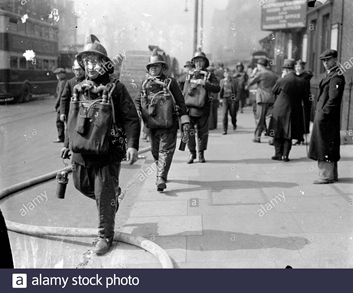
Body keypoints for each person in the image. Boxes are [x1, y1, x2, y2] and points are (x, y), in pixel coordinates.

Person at [60, 35, 140, 255]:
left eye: (95, 61)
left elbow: (132, 118)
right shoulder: (78, 87)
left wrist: (132, 145)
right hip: (80, 152)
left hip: (107, 152)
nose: (90, 66)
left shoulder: (116, 89)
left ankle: (105, 236)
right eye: (86, 62)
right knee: (80, 185)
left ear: (105, 64)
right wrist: (68, 143)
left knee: (103, 195)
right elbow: (71, 118)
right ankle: (111, 197)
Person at [134, 49, 190, 191]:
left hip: (169, 125)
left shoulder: (170, 82)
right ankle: (162, 171)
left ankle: (161, 178)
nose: (153, 68)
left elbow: (180, 101)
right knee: (155, 151)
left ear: (162, 68)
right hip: (152, 125)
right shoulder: (144, 83)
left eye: (156, 66)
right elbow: (137, 101)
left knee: (165, 151)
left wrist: (185, 121)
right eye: (151, 66)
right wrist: (138, 113)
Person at [308, 49, 345, 184]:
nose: (325, 63)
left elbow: (333, 100)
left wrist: (323, 114)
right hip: (327, 117)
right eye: (323, 61)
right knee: (328, 144)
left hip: (327, 118)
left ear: (335, 59)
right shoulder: (332, 74)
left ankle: (326, 176)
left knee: (325, 145)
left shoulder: (335, 76)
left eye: (327, 60)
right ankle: (332, 174)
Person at [183, 50, 220, 164]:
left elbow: (217, 88)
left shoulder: (209, 75)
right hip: (189, 108)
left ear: (205, 62)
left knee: (202, 132)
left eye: (201, 61)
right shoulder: (189, 74)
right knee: (188, 131)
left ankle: (201, 153)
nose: (198, 63)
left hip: (203, 108)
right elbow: (182, 90)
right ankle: (192, 153)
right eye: (196, 61)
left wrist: (204, 83)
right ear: (193, 62)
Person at [267, 59, 308, 162]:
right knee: (288, 134)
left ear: (285, 69)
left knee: (278, 132)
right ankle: (285, 155)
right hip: (295, 110)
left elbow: (274, 91)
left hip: (280, 109)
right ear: (293, 68)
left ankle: (278, 154)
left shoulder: (282, 80)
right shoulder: (302, 81)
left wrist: (282, 77)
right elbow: (306, 97)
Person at [248, 58, 278, 143]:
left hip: (261, 99)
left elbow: (250, 82)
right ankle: (271, 138)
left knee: (260, 119)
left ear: (260, 65)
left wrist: (253, 73)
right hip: (272, 98)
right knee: (269, 118)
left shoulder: (260, 74)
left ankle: (257, 137)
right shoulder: (273, 74)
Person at [294, 60, 313, 145]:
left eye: (299, 67)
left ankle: (301, 138)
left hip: (304, 101)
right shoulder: (299, 76)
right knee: (298, 120)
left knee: (303, 120)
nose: (297, 68)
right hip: (299, 100)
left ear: (302, 68)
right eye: (296, 67)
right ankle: (299, 138)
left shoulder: (305, 76)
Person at [219, 68, 239, 135]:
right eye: (225, 73)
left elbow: (237, 90)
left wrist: (235, 99)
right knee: (224, 114)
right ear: (224, 74)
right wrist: (220, 98)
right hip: (224, 98)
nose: (226, 74)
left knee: (232, 113)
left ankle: (234, 123)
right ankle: (225, 129)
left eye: (227, 73)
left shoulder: (234, 81)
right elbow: (219, 91)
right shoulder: (222, 81)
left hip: (232, 97)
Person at [53, 68, 67, 143]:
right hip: (63, 104)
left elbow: (60, 95)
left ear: (63, 74)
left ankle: (61, 137)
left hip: (61, 105)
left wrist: (56, 105)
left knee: (59, 121)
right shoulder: (62, 82)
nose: (57, 76)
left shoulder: (62, 83)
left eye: (58, 74)